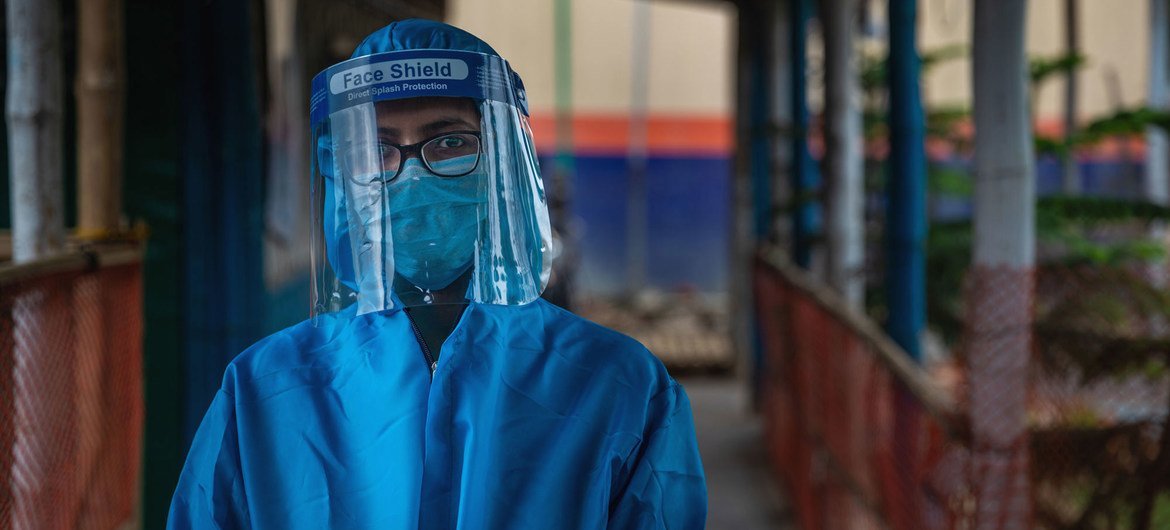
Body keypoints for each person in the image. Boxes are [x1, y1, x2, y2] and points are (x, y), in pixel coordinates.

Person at [167, 19, 706, 529]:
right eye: (373, 150)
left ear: (504, 163)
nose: (411, 176)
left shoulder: (618, 386)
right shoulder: (264, 390)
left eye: (449, 143)